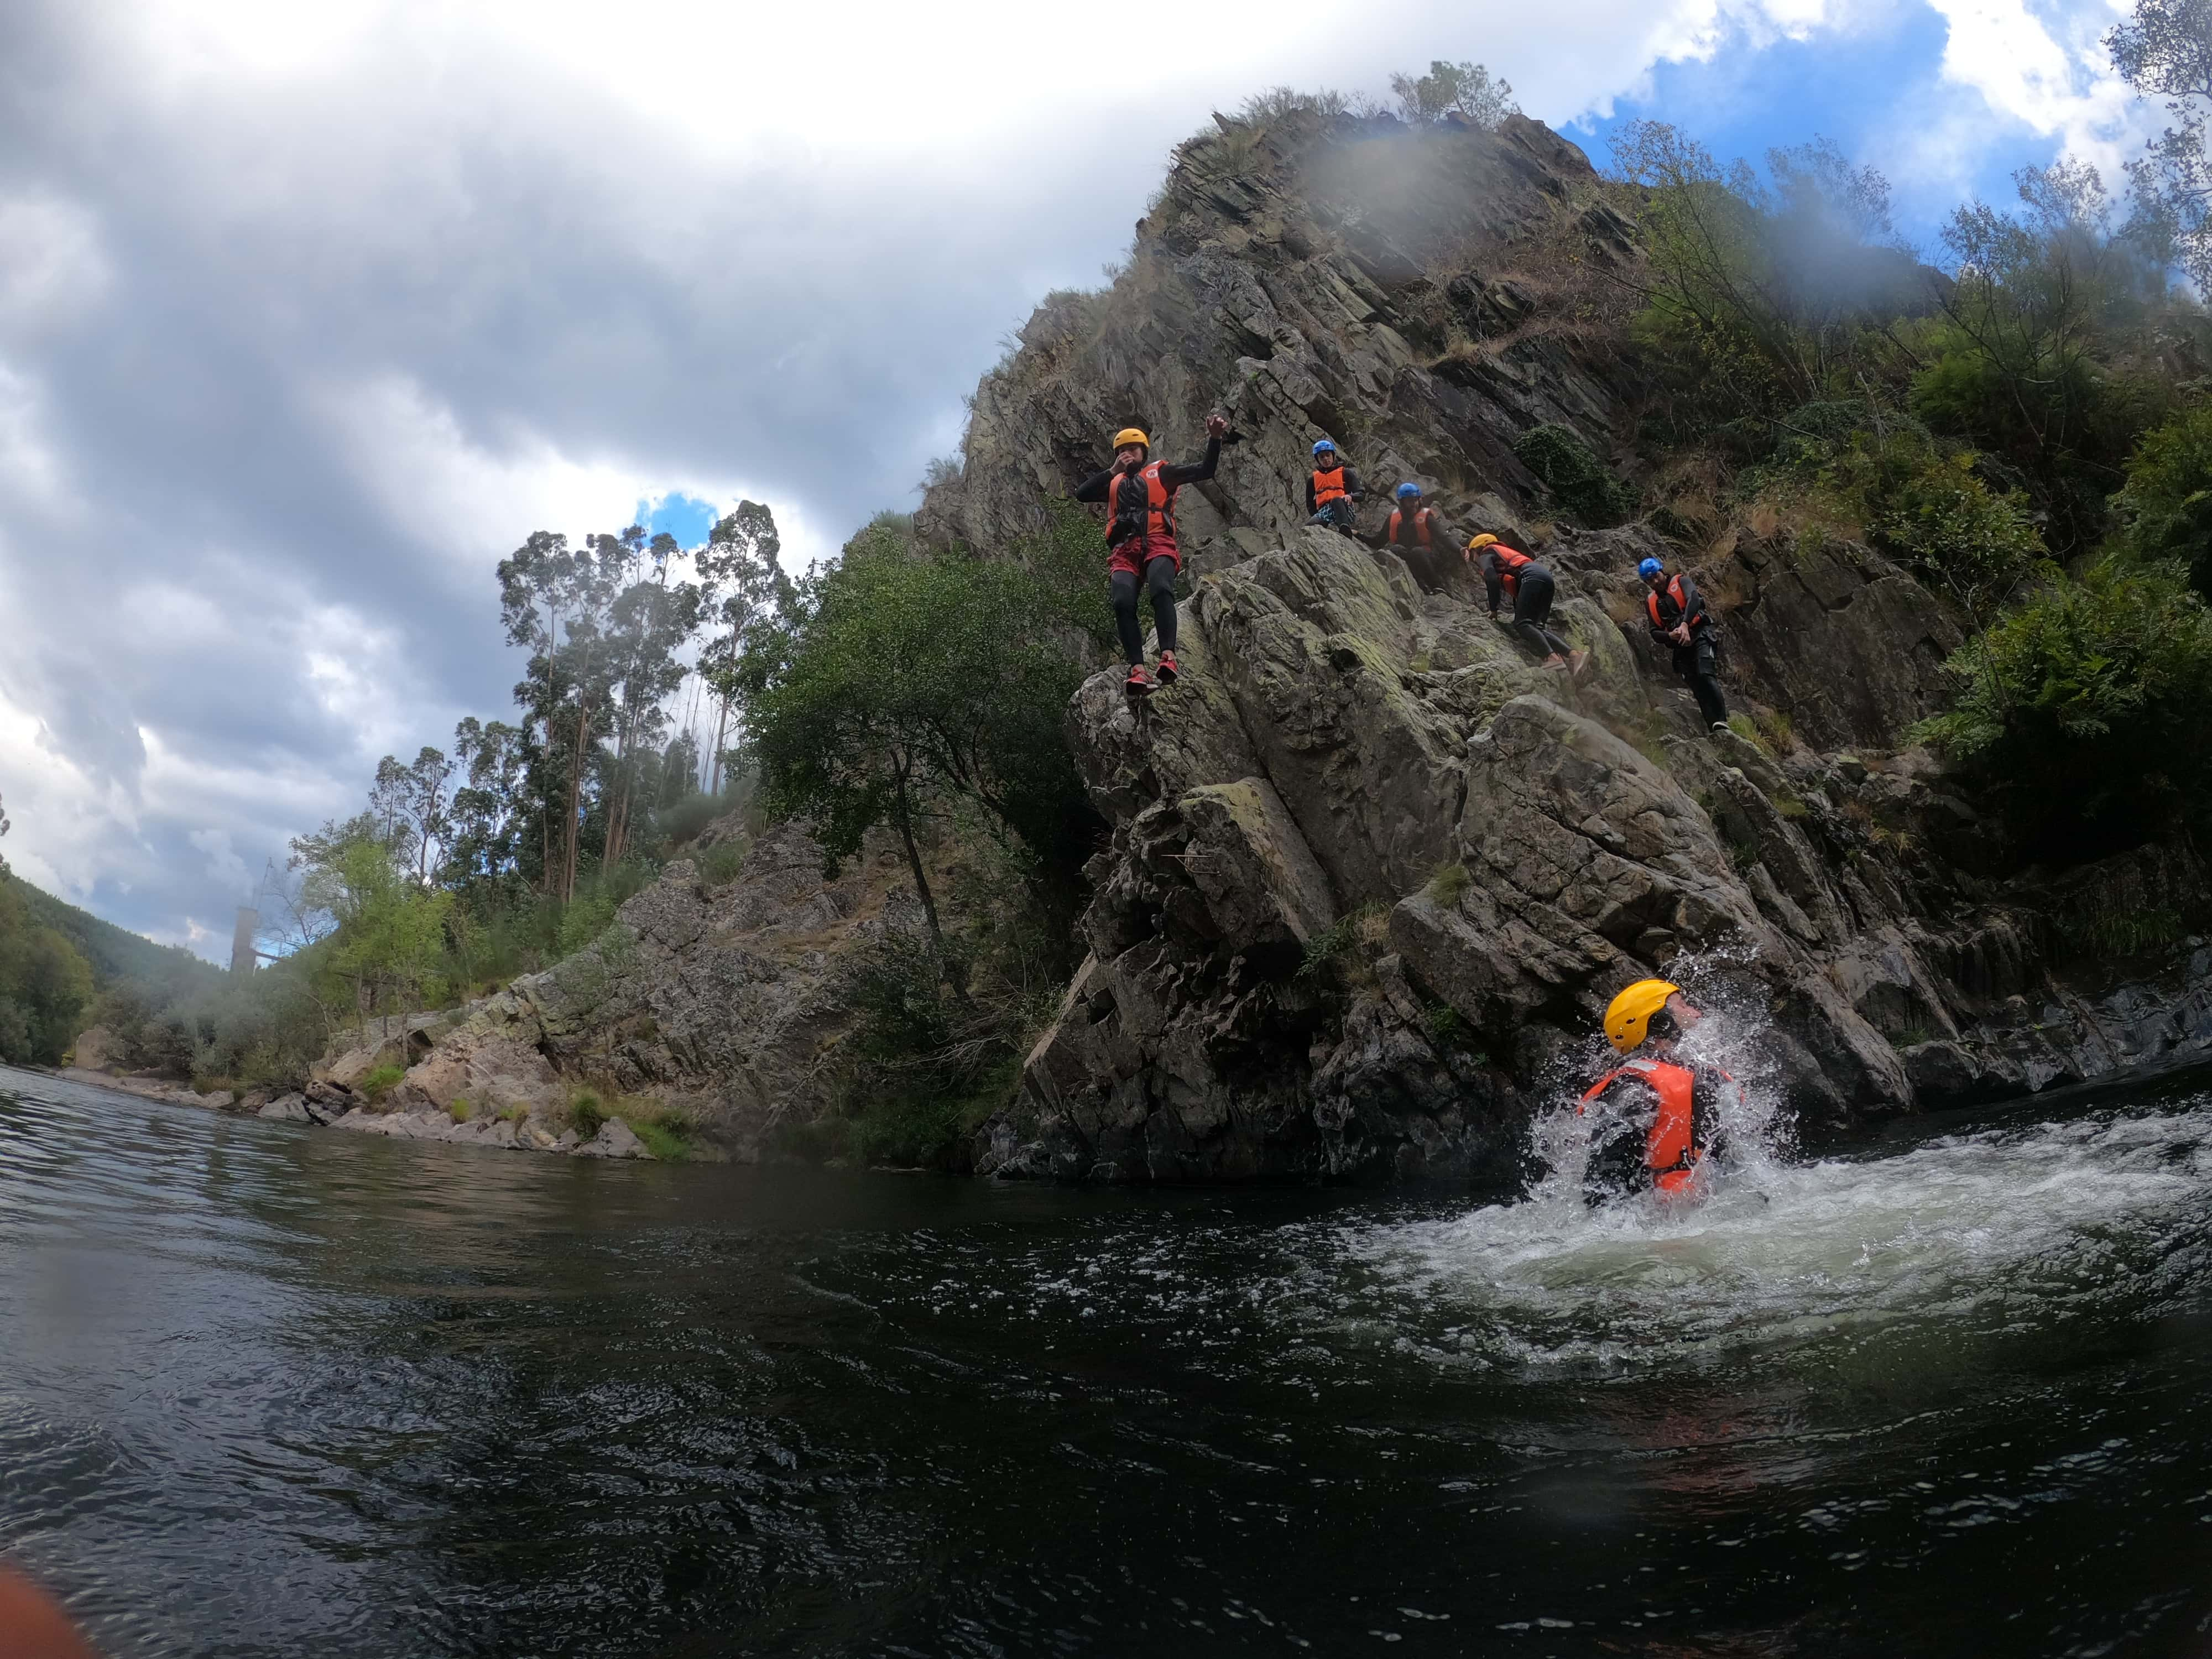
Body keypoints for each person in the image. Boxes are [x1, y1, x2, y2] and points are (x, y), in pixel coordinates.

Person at [1073, 415, 1229, 696]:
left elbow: (1206, 469)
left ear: (1143, 452)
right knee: (1122, 603)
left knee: (1160, 589)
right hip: (1125, 551)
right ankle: (1137, 670)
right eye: (1122, 451)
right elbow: (1082, 494)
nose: (1127, 454)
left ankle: (1168, 656)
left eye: (1133, 449)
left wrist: (1215, 439)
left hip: (1159, 542)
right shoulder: (1113, 482)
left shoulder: (1162, 473)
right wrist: (1112, 470)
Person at [1578, 978, 1737, 1207]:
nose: (1696, 1013)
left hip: (1699, 1218)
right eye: (1683, 1005)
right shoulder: (1634, 1091)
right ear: (1659, 1021)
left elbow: (1727, 1161)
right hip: (1659, 1228)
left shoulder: (1700, 1078)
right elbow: (1602, 1189)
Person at [1468, 533, 1587, 677]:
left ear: (1479, 548)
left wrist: (1494, 609)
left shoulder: (1487, 553)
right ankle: (1574, 655)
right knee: (1535, 627)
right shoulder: (1502, 554)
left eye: (1472, 553)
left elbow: (1491, 579)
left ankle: (1552, 658)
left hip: (1531, 577)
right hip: (1545, 578)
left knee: (1521, 624)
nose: (1474, 559)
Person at [1639, 556, 1728, 732]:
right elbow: (1654, 633)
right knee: (1696, 686)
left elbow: (1694, 599)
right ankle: (1714, 728)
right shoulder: (1651, 603)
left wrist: (1685, 624)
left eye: (1656, 576)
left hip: (1701, 633)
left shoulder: (1682, 582)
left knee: (1705, 673)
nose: (1655, 582)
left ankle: (1722, 720)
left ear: (1662, 571)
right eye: (1650, 580)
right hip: (1680, 646)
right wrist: (1671, 635)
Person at [1375, 482, 1451, 592]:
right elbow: (1378, 541)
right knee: (1396, 549)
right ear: (1402, 502)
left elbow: (1444, 536)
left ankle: (1436, 586)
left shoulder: (1427, 518)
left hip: (1429, 557)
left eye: (1416, 500)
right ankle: (1419, 584)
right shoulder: (1394, 519)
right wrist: (1357, 535)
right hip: (1410, 558)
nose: (1414, 504)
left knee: (1417, 551)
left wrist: (1460, 549)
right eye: (1410, 501)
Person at [1305, 439, 1363, 530]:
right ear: (1318, 459)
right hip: (1325, 512)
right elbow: (1310, 504)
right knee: (1309, 527)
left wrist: (1351, 496)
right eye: (1322, 457)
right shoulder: (1312, 480)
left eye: (1328, 455)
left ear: (1333, 455)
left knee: (1336, 500)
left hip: (1344, 509)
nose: (1326, 459)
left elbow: (1361, 494)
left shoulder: (1346, 473)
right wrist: (1315, 514)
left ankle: (1345, 529)